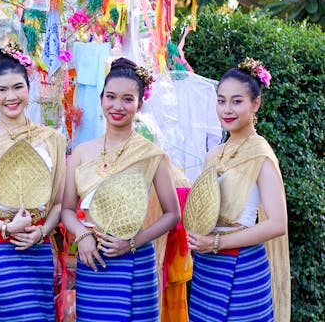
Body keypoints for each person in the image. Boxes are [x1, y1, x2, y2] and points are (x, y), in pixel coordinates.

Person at [61, 57, 181, 322]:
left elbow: (173, 213)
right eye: (111, 97)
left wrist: (132, 243)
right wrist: (82, 236)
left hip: (135, 258)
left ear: (140, 104)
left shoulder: (151, 154)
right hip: (92, 256)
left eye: (128, 99)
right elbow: (67, 210)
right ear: (101, 98)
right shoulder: (81, 152)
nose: (118, 106)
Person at [0, 43, 66, 321]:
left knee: (40, 315)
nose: (11, 96)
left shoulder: (53, 139)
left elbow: (58, 202)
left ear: (29, 88)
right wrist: (6, 227)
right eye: (1, 90)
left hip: (37, 243)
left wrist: (41, 233)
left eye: (18, 87)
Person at [187, 58, 290, 322]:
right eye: (221, 101)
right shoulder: (214, 154)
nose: (227, 109)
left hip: (242, 265)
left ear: (255, 104)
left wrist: (217, 242)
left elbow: (277, 223)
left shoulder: (261, 155)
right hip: (206, 265)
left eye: (236, 101)